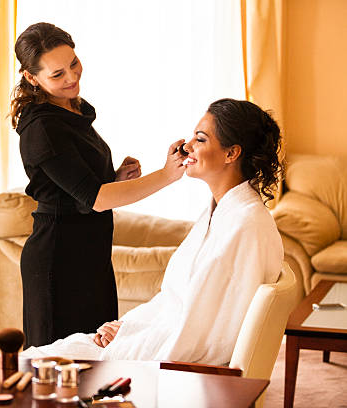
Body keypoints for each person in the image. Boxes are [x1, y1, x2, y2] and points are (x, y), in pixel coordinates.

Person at [22, 98, 285, 365]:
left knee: (38, 364)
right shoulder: (220, 214)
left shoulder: (244, 226)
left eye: (201, 139)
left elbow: (208, 335)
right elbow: (175, 302)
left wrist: (129, 340)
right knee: (37, 358)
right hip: (155, 340)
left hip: (175, 366)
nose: (187, 146)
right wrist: (126, 327)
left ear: (231, 154)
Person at [10, 22, 186, 347]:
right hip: (59, 260)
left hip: (91, 255)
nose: (72, 78)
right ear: (31, 78)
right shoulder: (43, 128)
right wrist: (166, 175)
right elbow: (96, 199)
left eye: (73, 63)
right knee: (60, 371)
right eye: (57, 74)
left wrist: (115, 178)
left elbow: (79, 190)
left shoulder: (68, 107)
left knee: (99, 362)